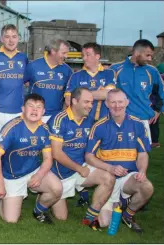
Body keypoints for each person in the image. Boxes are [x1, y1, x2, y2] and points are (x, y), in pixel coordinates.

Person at [85, 89, 153, 233]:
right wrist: (110, 168)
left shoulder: (138, 124)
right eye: (113, 102)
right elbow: (89, 156)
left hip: (129, 177)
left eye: (120, 102)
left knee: (147, 187)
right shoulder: (99, 126)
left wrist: (142, 171)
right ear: (107, 104)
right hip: (108, 178)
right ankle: (118, 201)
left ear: (127, 102)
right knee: (104, 223)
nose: (117, 106)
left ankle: (128, 215)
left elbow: (142, 154)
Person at [48, 88, 115, 230]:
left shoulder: (89, 120)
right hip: (60, 174)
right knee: (61, 218)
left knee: (108, 178)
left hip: (81, 169)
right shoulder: (59, 119)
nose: (90, 105)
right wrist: (79, 168)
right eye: (86, 102)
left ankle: (90, 217)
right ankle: (49, 192)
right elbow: (56, 154)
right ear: (74, 101)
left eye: (91, 102)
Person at [0, 93, 62, 224]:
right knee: (11, 220)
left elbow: (48, 159)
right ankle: (0, 197)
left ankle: (39, 210)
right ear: (23, 108)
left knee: (57, 188)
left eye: (39, 107)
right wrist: (0, 184)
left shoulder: (45, 129)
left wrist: (39, 175)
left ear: (43, 111)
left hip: (33, 171)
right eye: (31, 106)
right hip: (12, 176)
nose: (35, 110)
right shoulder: (12, 127)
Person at [110, 39, 164, 144]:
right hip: (119, 120)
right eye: (147, 55)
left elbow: (161, 93)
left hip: (142, 120)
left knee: (142, 156)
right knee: (118, 156)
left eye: (151, 56)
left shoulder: (152, 71)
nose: (150, 59)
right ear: (137, 52)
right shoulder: (115, 69)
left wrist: (157, 110)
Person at [0, 24, 29, 142]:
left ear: (18, 38)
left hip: (17, 110)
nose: (11, 40)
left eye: (14, 36)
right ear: (1, 39)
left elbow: (27, 82)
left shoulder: (23, 57)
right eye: (7, 37)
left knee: (14, 144)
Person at [65, 42, 116, 121]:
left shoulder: (109, 73)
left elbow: (109, 95)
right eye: (83, 55)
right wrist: (98, 93)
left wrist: (80, 96)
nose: (84, 58)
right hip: (82, 123)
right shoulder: (76, 76)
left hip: (104, 122)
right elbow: (68, 101)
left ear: (97, 56)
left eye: (88, 55)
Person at [25, 37, 72, 123]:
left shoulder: (67, 70)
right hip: (34, 115)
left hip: (55, 117)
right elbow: (23, 83)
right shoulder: (33, 66)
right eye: (64, 53)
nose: (66, 56)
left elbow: (68, 95)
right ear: (53, 51)